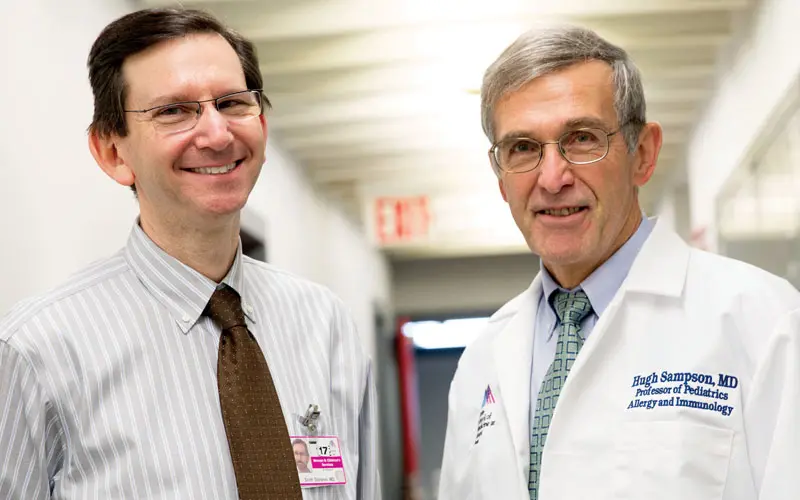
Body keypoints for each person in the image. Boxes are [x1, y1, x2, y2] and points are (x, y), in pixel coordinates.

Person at [0, 7, 380, 500]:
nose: (217, 134)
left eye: (232, 102)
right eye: (173, 111)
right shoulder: (38, 354)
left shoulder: (325, 324)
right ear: (113, 153)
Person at [437, 24, 800, 500]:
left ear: (642, 154)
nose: (551, 178)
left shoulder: (764, 322)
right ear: (501, 179)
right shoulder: (481, 361)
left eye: (582, 138)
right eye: (522, 148)